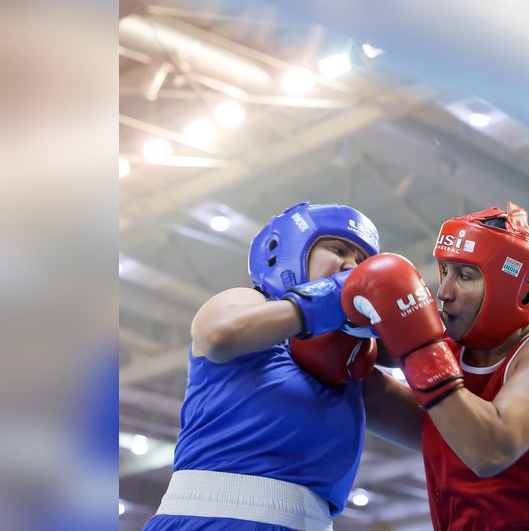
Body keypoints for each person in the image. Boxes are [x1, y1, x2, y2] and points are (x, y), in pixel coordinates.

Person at [342, 202, 529, 531]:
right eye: (445, 270)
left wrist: (419, 348)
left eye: (465, 275)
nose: (444, 291)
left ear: (514, 288)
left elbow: (491, 449)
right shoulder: (452, 355)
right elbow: (379, 397)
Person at [142, 201, 381, 531]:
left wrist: (422, 344)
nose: (352, 268)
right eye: (338, 249)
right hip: (209, 520)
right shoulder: (246, 302)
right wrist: (330, 295)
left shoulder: (353, 365)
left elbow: (442, 432)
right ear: (288, 251)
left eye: (363, 263)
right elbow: (218, 335)